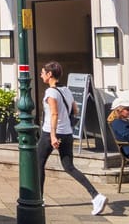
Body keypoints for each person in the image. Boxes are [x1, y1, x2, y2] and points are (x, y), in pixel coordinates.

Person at [38, 62, 108, 215]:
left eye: (43, 72)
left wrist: (52, 136)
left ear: (50, 75)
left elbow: (54, 114)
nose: (41, 75)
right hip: (67, 133)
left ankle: (39, 198)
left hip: (50, 133)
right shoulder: (66, 90)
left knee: (38, 164)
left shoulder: (51, 92)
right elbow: (75, 109)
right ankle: (96, 196)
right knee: (69, 167)